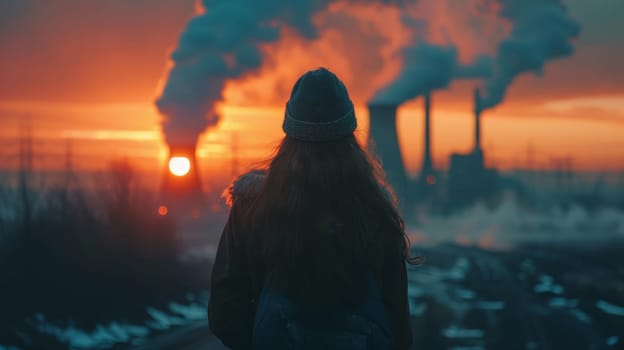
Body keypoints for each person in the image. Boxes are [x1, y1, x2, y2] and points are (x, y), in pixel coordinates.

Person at [208, 67, 415, 349]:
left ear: (289, 133)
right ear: (349, 133)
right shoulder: (376, 212)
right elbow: (398, 324)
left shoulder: (253, 205)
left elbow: (224, 312)